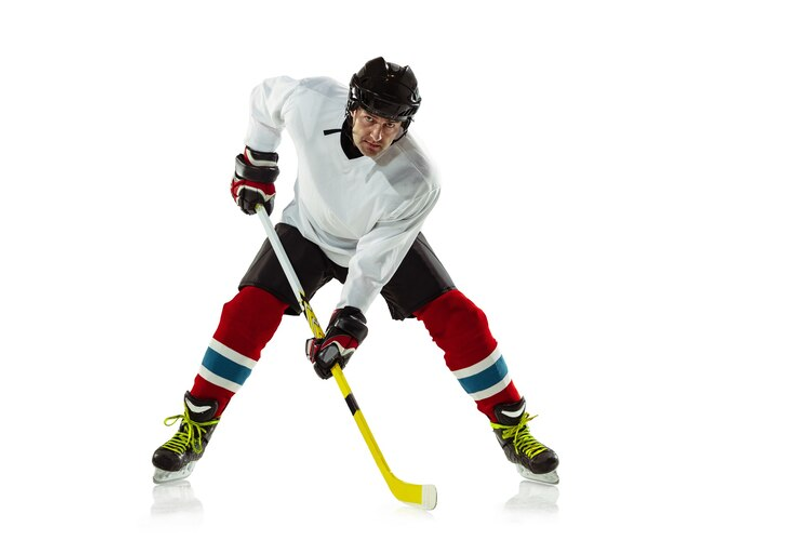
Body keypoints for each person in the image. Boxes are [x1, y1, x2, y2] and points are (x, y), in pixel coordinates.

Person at [152, 57, 559, 486]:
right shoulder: (310, 100)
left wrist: (348, 321)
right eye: (369, 119)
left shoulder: (417, 179)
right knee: (245, 313)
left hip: (376, 241)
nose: (377, 135)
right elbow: (264, 97)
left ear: (406, 124)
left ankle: (513, 428)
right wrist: (258, 161)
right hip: (307, 229)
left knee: (462, 320)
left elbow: (373, 262)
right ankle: (196, 425)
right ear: (351, 106)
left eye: (391, 125)